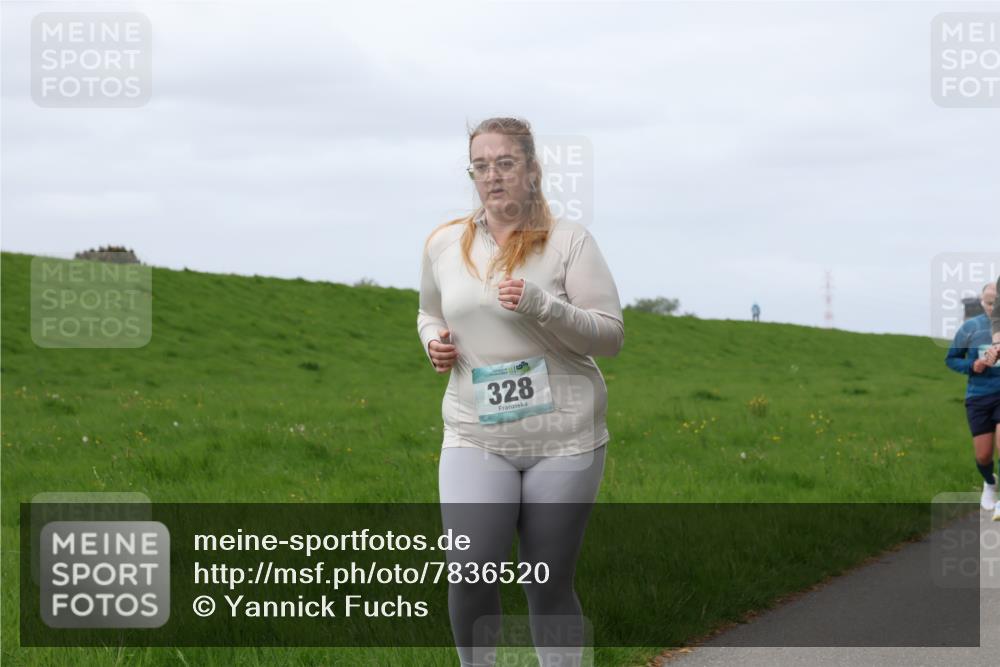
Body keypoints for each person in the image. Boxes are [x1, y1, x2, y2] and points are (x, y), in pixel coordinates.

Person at [417, 116, 624, 667]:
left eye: (505, 163)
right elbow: (428, 311)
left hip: (564, 436)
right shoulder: (443, 243)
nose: (492, 176)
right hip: (474, 432)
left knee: (546, 579)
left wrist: (542, 305)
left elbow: (610, 336)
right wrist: (434, 341)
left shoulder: (569, 242)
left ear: (532, 170)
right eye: (480, 166)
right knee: (468, 571)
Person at [945, 282, 1000, 517]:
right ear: (981, 302)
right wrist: (972, 365)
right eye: (989, 303)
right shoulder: (969, 328)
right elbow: (951, 359)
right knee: (983, 455)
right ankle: (989, 482)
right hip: (979, 396)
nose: (993, 308)